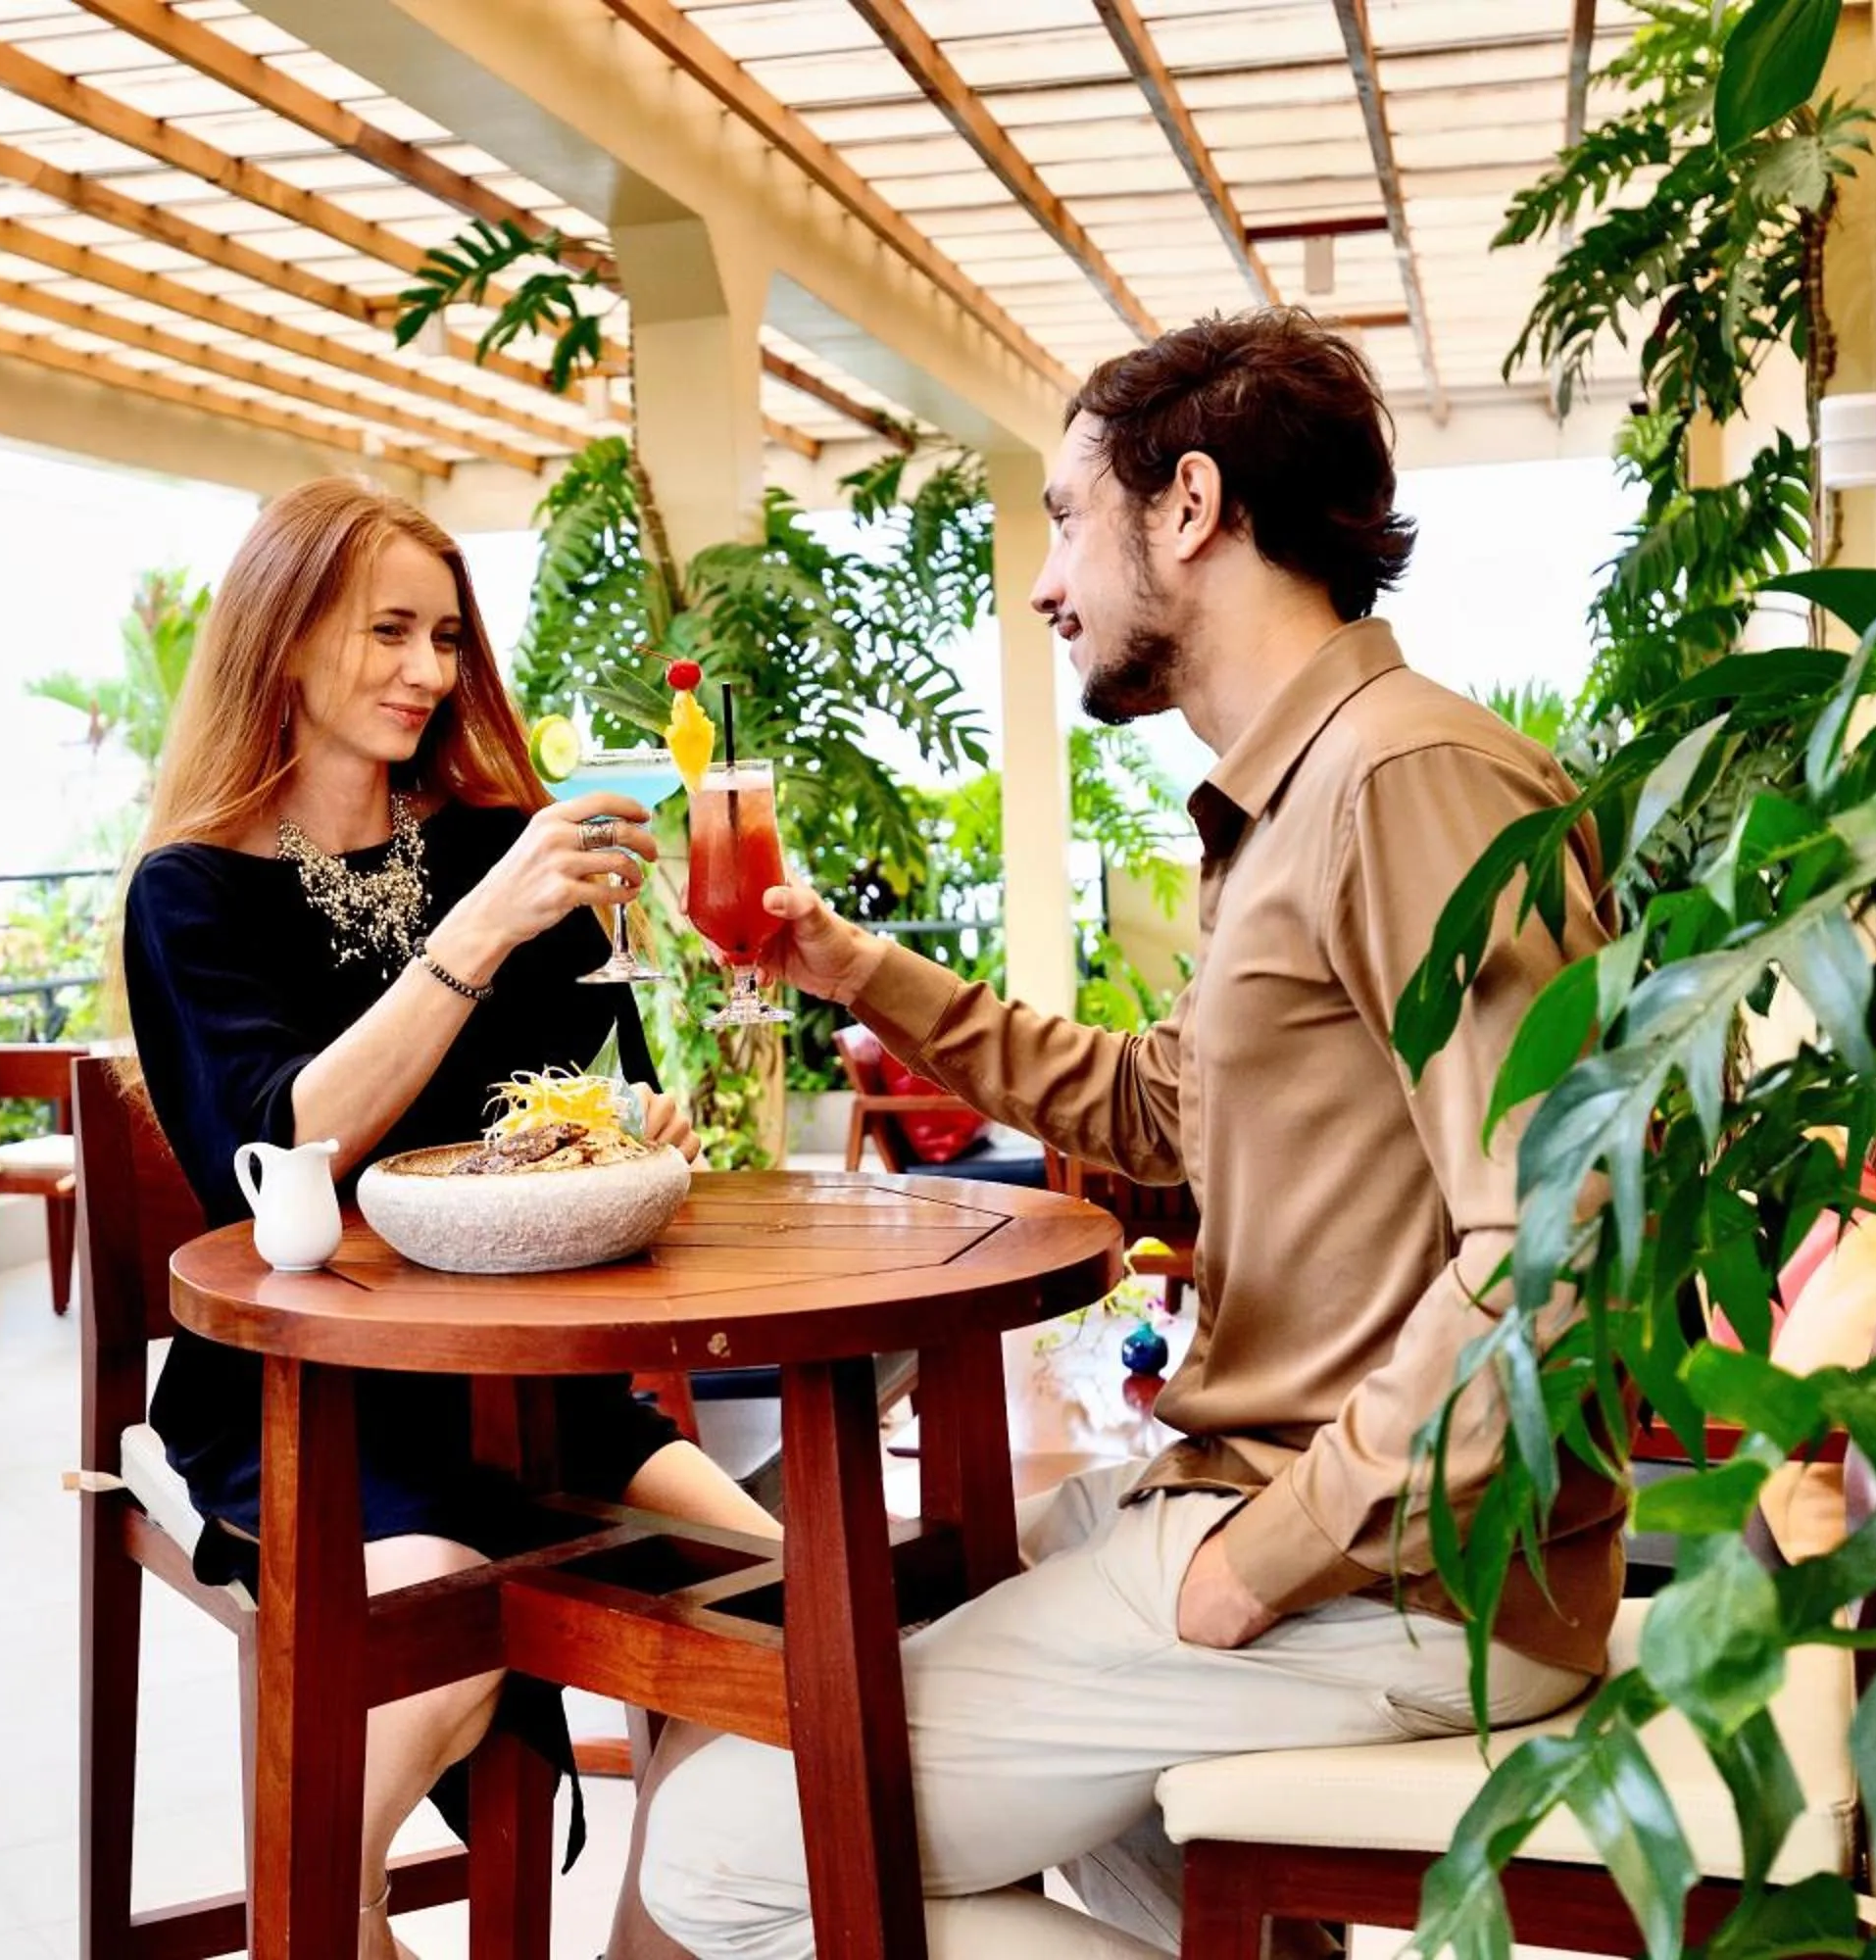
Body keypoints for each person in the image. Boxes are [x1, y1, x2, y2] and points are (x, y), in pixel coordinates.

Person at [637, 309, 1623, 1958]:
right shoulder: (1295, 797)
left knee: (732, 1845)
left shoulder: (1408, 781)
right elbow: (1156, 1110)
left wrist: (1270, 1557)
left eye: (1064, 521)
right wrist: (854, 966)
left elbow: (1562, 1234)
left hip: (1390, 1572)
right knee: (918, 1614)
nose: (1044, 586)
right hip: (1271, 1504)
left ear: (1187, 505)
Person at [114, 477, 773, 1960]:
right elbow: (277, 1149)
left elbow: (545, 1105)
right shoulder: (194, 893)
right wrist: (477, 934)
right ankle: (324, 1912)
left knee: (779, 1616)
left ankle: (645, 1945)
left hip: (521, 1388)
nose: (428, 671)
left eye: (445, 638)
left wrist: (616, 1128)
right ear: (284, 643)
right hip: (307, 1396)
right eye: (388, 632)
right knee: (445, 1620)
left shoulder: (487, 843)